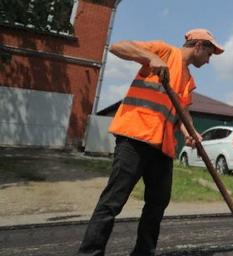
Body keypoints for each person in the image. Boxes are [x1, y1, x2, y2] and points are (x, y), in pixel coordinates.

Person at [77, 28, 224, 256]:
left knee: (157, 204)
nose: (209, 60)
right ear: (199, 46)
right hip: (135, 138)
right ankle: (89, 253)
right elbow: (117, 46)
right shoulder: (164, 51)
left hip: (162, 147)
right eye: (209, 53)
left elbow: (182, 112)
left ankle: (143, 252)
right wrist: (151, 57)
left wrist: (189, 131)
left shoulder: (187, 79)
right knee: (113, 201)